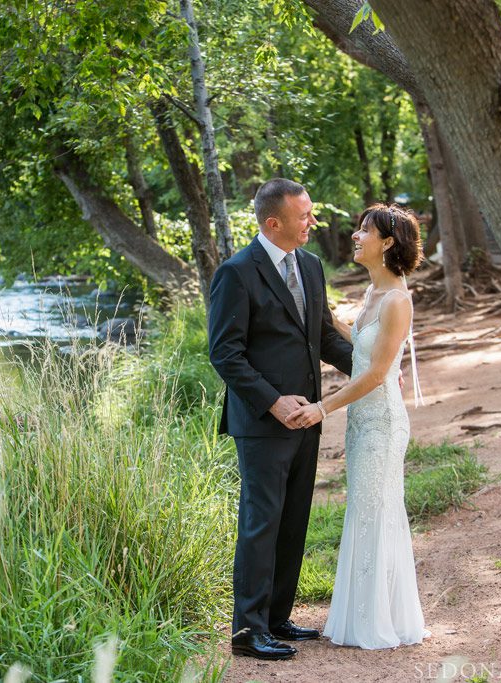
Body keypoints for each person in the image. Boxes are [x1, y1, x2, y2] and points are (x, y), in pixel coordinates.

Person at [208, 178, 353, 660]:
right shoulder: (236, 273)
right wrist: (273, 402)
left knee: (293, 521)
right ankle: (248, 632)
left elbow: (323, 340)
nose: (313, 221)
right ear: (274, 222)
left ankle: (277, 618)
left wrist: (373, 369)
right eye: (304, 215)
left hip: (308, 417)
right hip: (262, 423)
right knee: (261, 523)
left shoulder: (310, 266)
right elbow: (225, 354)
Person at [287, 203, 431, 649]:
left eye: (364, 231)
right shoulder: (372, 296)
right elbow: (361, 344)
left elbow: (373, 374)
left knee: (376, 511)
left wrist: (322, 408)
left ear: (387, 243)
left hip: (383, 423)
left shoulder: (398, 301)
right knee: (365, 511)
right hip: (362, 423)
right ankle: (362, 614)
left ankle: (376, 621)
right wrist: (323, 313)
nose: (355, 236)